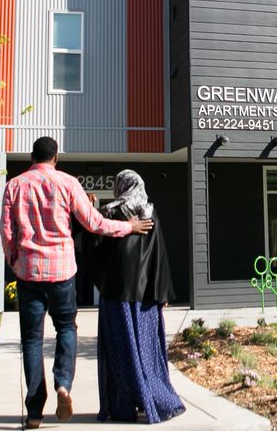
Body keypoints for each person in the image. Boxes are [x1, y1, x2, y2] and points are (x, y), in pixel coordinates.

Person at [1, 137, 153, 428]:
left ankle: (34, 413)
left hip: (28, 273)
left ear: (32, 157)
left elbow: (7, 232)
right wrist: (129, 226)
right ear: (56, 158)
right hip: (62, 271)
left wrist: (14, 260)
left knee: (31, 340)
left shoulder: (15, 185)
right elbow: (94, 223)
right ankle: (63, 386)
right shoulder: (69, 183)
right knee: (66, 329)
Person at [86, 170, 186, 423]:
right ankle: (154, 399)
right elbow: (159, 254)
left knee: (120, 353)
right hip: (146, 299)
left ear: (120, 187)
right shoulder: (149, 212)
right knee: (147, 351)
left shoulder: (110, 213)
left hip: (116, 296)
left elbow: (93, 247)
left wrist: (91, 210)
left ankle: (123, 405)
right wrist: (162, 292)